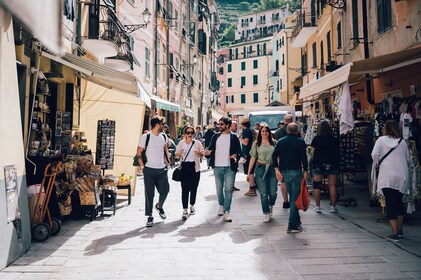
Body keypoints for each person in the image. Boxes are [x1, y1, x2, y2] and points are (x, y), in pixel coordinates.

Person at [371, 120, 409, 242]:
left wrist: (379, 163)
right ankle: (400, 231)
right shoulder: (402, 142)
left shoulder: (381, 140)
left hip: (387, 175)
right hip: (401, 175)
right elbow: (407, 158)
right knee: (399, 203)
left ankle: (394, 234)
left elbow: (374, 154)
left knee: (391, 204)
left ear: (385, 128)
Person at [203, 117, 242, 222]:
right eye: (219, 124)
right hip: (217, 166)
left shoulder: (234, 138)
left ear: (228, 125)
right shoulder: (216, 136)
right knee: (219, 189)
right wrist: (207, 152)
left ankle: (227, 211)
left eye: (221, 124)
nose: (219, 126)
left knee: (228, 189)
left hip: (230, 167)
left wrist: (235, 155)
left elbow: (240, 152)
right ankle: (221, 205)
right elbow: (210, 149)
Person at [272, 123, 308, 233]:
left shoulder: (281, 141)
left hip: (284, 172)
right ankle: (292, 225)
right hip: (296, 171)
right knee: (294, 198)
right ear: (297, 131)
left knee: (292, 196)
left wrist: (276, 169)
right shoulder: (300, 141)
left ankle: (297, 222)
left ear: (287, 131)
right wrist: (306, 170)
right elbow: (303, 157)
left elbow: (274, 156)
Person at [136, 116, 171, 227]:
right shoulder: (145, 137)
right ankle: (149, 216)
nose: (163, 126)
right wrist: (143, 167)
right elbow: (139, 152)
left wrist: (168, 163)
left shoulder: (163, 136)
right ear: (157, 125)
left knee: (165, 190)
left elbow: (165, 151)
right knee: (149, 194)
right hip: (149, 170)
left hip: (161, 170)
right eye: (161, 124)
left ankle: (159, 206)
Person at [247, 123, 278, 223]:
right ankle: (266, 212)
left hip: (272, 169)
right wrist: (249, 173)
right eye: (263, 131)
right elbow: (252, 158)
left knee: (273, 192)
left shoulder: (274, 143)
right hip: (260, 168)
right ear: (260, 133)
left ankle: (270, 205)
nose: (264, 133)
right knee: (263, 193)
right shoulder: (256, 144)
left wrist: (279, 170)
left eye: (266, 131)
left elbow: (278, 158)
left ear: (269, 133)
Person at [310, 120, 340, 214]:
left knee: (317, 185)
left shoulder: (316, 139)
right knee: (332, 185)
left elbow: (312, 151)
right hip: (332, 163)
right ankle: (333, 206)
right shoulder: (333, 139)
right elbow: (337, 152)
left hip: (318, 163)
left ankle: (318, 206)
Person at [175, 126, 204, 220]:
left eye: (192, 132)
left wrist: (198, 154)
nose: (190, 134)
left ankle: (192, 205)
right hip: (184, 167)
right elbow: (176, 155)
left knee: (194, 188)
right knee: (184, 189)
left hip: (194, 168)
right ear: (185, 134)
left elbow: (202, 155)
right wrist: (178, 154)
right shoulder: (181, 143)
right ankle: (185, 210)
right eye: (188, 132)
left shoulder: (197, 143)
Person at [274, 114, 294, 209]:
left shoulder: (278, 132)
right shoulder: (295, 130)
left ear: (284, 120)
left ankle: (285, 201)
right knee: (293, 180)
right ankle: (293, 200)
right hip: (294, 159)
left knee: (283, 181)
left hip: (282, 159)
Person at [240, 118, 257, 196]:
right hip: (250, 152)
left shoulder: (246, 131)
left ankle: (252, 188)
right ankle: (252, 187)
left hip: (247, 153)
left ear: (243, 124)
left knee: (250, 171)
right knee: (251, 171)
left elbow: (246, 142)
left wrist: (240, 138)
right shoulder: (251, 130)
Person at [230, 120, 240, 191]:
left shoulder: (235, 134)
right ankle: (230, 185)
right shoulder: (232, 135)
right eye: (235, 125)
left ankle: (231, 185)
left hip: (235, 157)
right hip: (231, 158)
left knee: (234, 172)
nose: (236, 127)